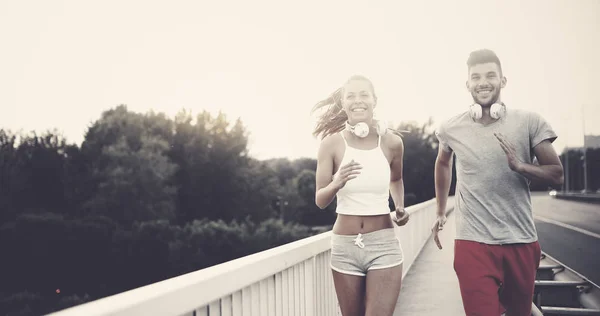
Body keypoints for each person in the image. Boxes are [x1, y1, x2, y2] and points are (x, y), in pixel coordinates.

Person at [433, 49, 564, 316]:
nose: (483, 82)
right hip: (473, 243)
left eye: (491, 75)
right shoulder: (450, 128)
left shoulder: (529, 122)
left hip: (521, 241)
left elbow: (556, 174)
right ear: (467, 84)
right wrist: (439, 210)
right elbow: (443, 162)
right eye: (476, 77)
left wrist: (520, 166)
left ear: (503, 81)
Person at [312, 74, 409, 316]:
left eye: (364, 94)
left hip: (383, 245)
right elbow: (320, 200)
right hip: (345, 247)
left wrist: (399, 206)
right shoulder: (331, 144)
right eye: (351, 96)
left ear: (374, 100)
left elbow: (396, 179)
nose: (358, 101)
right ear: (343, 103)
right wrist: (337, 182)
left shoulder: (392, 143)